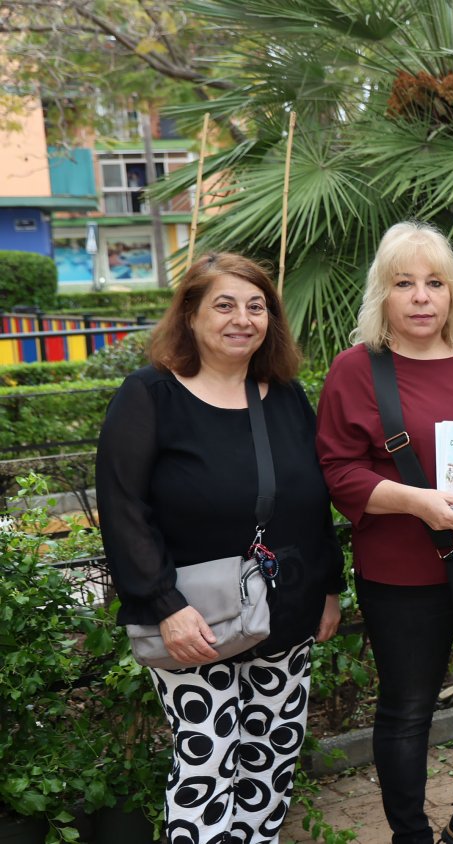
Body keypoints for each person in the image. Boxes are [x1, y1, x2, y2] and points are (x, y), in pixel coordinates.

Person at [96, 252, 343, 843]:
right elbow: (123, 509)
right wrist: (164, 606)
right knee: (206, 765)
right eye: (224, 305)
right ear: (190, 314)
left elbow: (312, 501)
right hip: (193, 619)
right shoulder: (149, 395)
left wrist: (329, 588)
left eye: (256, 306)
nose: (242, 319)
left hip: (284, 609)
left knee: (271, 759)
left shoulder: (286, 395)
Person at [316, 222, 453, 844]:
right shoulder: (357, 370)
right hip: (404, 573)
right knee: (408, 709)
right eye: (404, 283)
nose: (421, 297)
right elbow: (337, 470)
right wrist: (417, 502)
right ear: (381, 294)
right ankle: (410, 834)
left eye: (435, 283)